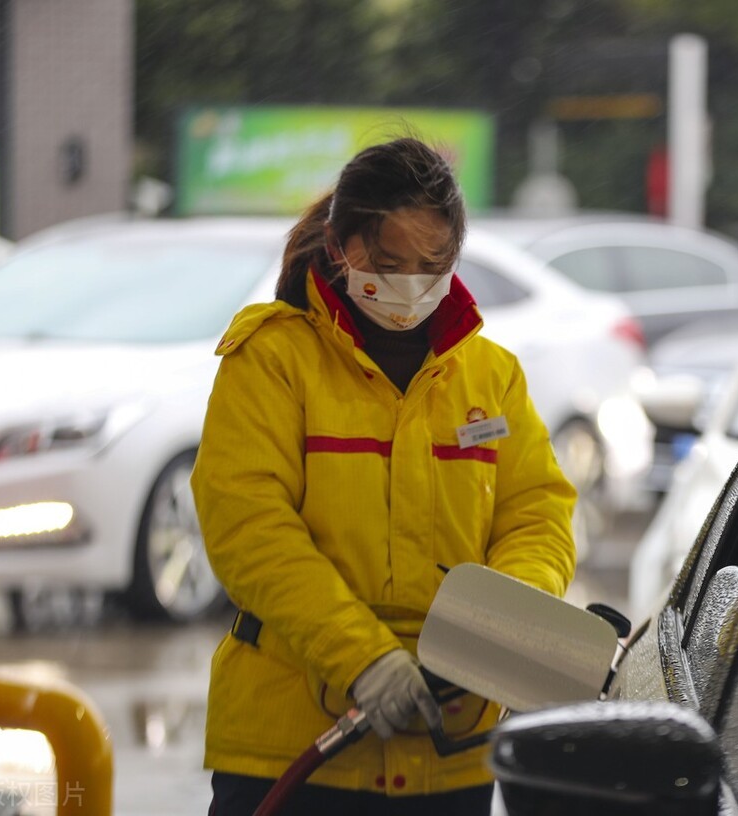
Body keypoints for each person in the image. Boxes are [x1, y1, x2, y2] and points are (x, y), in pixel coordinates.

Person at [190, 137, 578, 815]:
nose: (409, 286)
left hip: (449, 751)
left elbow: (536, 513)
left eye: (433, 266)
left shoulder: (489, 375)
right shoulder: (273, 360)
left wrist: (497, 626)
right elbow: (250, 527)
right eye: (387, 262)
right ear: (340, 247)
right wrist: (360, 658)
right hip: (293, 747)